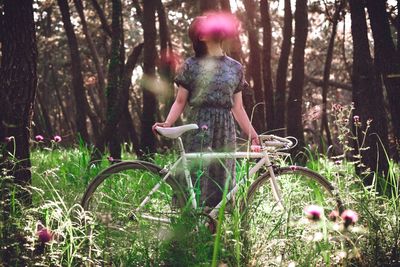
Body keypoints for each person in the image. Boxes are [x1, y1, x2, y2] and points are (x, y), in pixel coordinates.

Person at [152, 12, 259, 208]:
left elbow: (238, 107)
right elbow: (180, 101)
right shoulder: (191, 66)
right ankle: (188, 227)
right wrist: (167, 123)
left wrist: (253, 134)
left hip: (225, 130)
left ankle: (211, 228)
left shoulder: (235, 68)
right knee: (196, 176)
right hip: (198, 126)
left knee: (222, 177)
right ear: (202, 37)